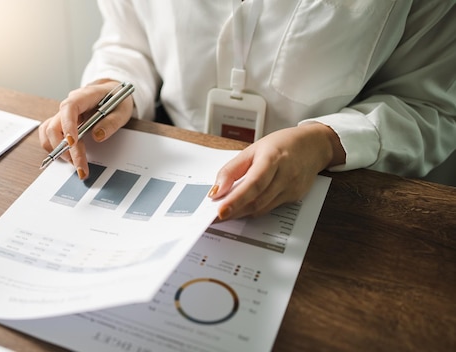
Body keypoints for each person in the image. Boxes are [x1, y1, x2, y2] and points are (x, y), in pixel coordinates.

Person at [39, 0, 456, 221]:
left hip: (335, 194)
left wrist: (324, 143)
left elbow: (430, 104)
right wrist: (112, 87)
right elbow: (129, 37)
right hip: (173, 153)